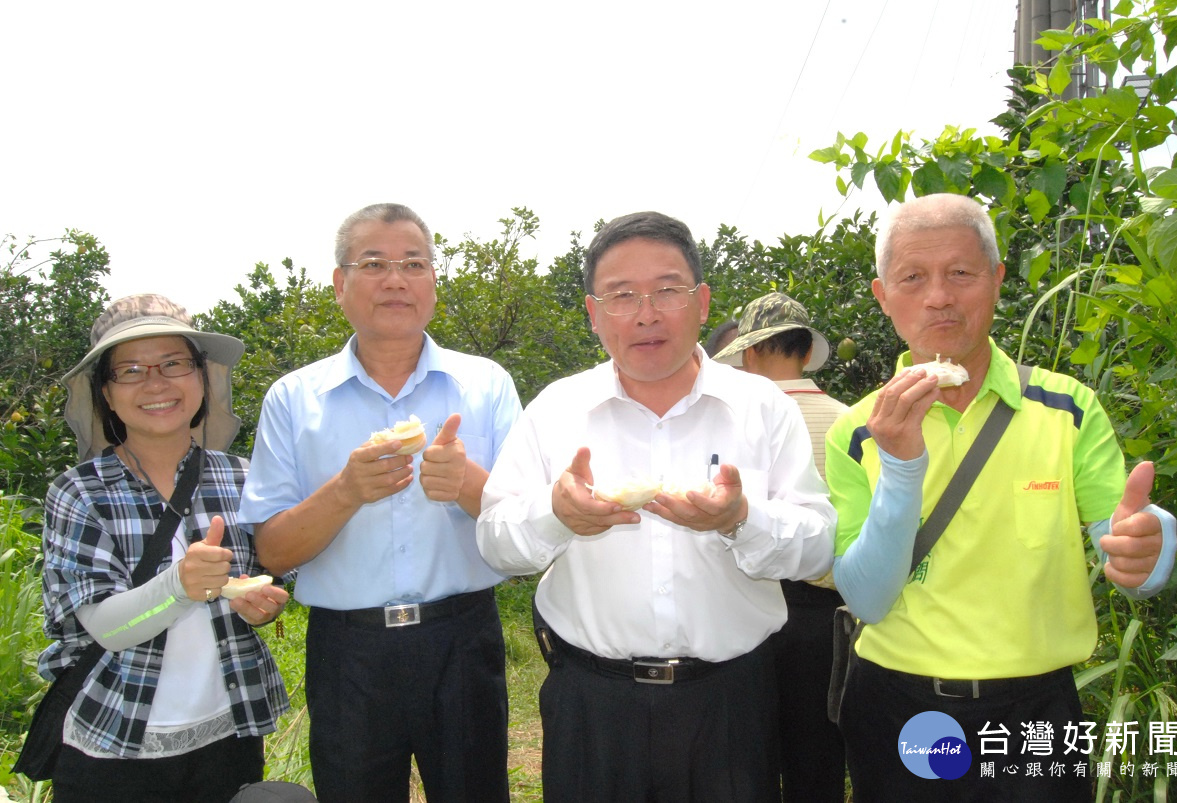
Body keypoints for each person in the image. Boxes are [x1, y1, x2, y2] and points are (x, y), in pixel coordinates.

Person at [825, 193, 1177, 802]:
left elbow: (1125, 543)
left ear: (996, 280)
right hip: (901, 703)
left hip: (1036, 709)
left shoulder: (1066, 409)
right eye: (913, 277)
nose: (939, 296)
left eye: (961, 273)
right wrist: (902, 467)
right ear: (884, 297)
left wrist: (1149, 545)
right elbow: (867, 598)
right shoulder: (858, 430)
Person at [477, 211, 836, 802]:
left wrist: (741, 518)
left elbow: (818, 542)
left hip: (731, 702)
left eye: (667, 290)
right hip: (593, 702)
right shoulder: (557, 409)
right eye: (621, 296)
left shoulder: (762, 407)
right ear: (594, 314)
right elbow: (494, 540)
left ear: (701, 302)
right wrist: (555, 514)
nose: (646, 313)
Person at [239, 203, 522, 803]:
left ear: (433, 284)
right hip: (349, 652)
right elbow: (272, 550)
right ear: (340, 284)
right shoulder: (294, 399)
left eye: (414, 263)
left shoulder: (487, 384)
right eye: (374, 264)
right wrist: (345, 492)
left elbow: (526, 524)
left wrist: (467, 482)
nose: (396, 279)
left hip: (462, 638)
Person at [39, 294, 290, 803]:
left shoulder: (242, 478)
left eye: (174, 363)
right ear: (106, 393)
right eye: (130, 370)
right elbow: (108, 629)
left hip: (230, 731)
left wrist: (260, 607)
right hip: (114, 742)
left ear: (202, 377)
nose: (156, 384)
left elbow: (272, 579)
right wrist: (178, 584)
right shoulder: (79, 492)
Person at [713, 291, 849, 803]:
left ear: (749, 354)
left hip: (746, 604)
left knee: (747, 755)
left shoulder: (737, 424)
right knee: (817, 755)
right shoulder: (851, 419)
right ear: (803, 349)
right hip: (826, 616)